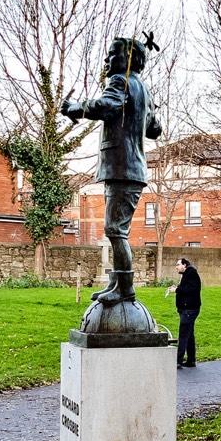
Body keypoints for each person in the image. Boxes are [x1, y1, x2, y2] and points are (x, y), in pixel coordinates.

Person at [59, 36, 162, 305]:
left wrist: (74, 108)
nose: (107, 60)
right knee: (116, 229)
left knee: (115, 229)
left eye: (112, 54)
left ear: (127, 60)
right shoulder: (144, 89)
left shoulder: (120, 81)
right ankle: (117, 281)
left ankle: (125, 288)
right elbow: (155, 129)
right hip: (129, 169)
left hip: (122, 167)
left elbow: (107, 106)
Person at [165, 257, 201, 367]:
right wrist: (178, 288)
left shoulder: (191, 274)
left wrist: (176, 290)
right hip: (187, 309)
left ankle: (178, 361)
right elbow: (187, 288)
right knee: (189, 335)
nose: (176, 267)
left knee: (183, 335)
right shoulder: (187, 275)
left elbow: (190, 290)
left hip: (189, 309)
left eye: (178, 265)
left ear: (184, 265)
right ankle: (191, 360)